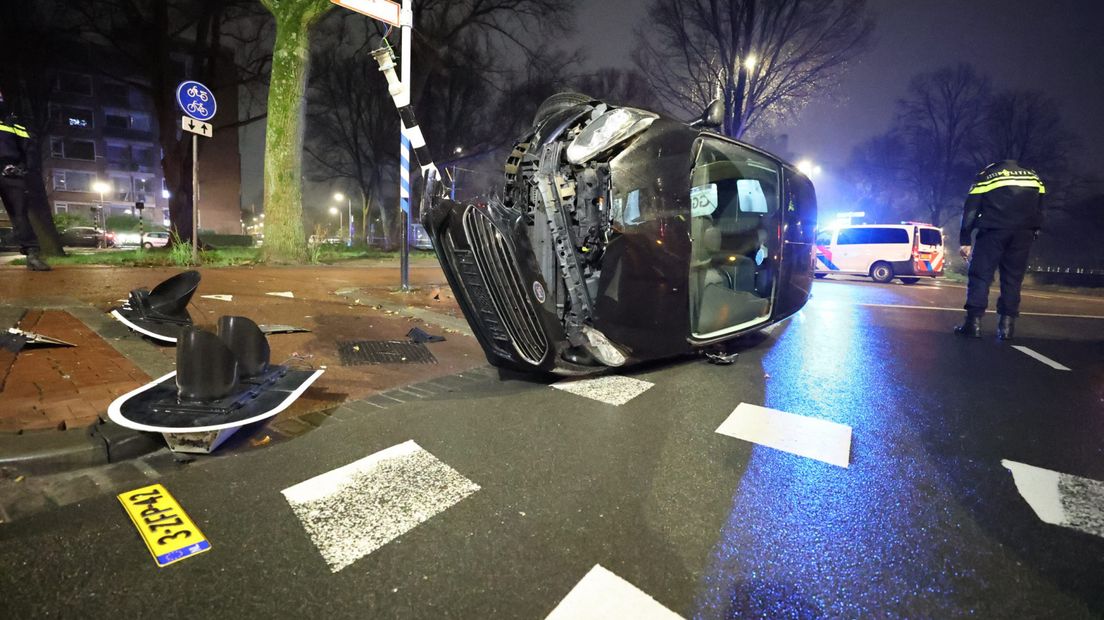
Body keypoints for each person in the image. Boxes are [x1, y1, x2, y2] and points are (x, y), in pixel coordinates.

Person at [953, 160, 1045, 340]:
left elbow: (971, 209)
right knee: (1012, 278)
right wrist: (1034, 231)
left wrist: (965, 239)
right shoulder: (1034, 177)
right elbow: (1040, 209)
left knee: (980, 275)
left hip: (992, 231)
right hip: (1023, 233)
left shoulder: (986, 176)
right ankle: (1007, 327)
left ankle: (973, 324)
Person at [0, 88, 51, 271]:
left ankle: (32, 255)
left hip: (11, 173)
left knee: (20, 214)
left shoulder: (13, 123)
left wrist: (22, 169)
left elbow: (28, 148)